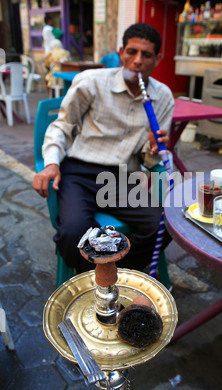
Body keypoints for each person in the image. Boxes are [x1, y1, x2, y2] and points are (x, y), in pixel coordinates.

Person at [32, 22, 175, 274]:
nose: (138, 60)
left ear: (158, 59)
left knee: (168, 225)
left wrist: (154, 149)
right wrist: (52, 163)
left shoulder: (162, 96)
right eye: (131, 52)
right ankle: (97, 280)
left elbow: (149, 160)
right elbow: (62, 126)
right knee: (73, 235)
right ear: (121, 52)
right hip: (79, 172)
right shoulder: (91, 82)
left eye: (147, 55)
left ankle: (114, 276)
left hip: (121, 178)